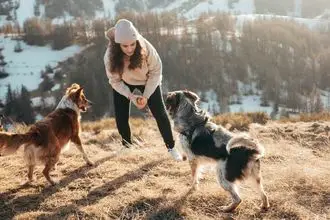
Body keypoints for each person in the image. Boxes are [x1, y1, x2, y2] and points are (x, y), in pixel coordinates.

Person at [104, 19, 182, 161]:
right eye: (125, 46)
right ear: (117, 45)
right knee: (121, 116)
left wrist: (146, 95)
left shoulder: (146, 48)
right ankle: (127, 145)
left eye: (132, 44)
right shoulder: (110, 56)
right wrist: (130, 96)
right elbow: (114, 81)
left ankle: (171, 147)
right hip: (124, 83)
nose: (129, 49)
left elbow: (156, 72)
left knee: (160, 113)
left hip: (148, 81)